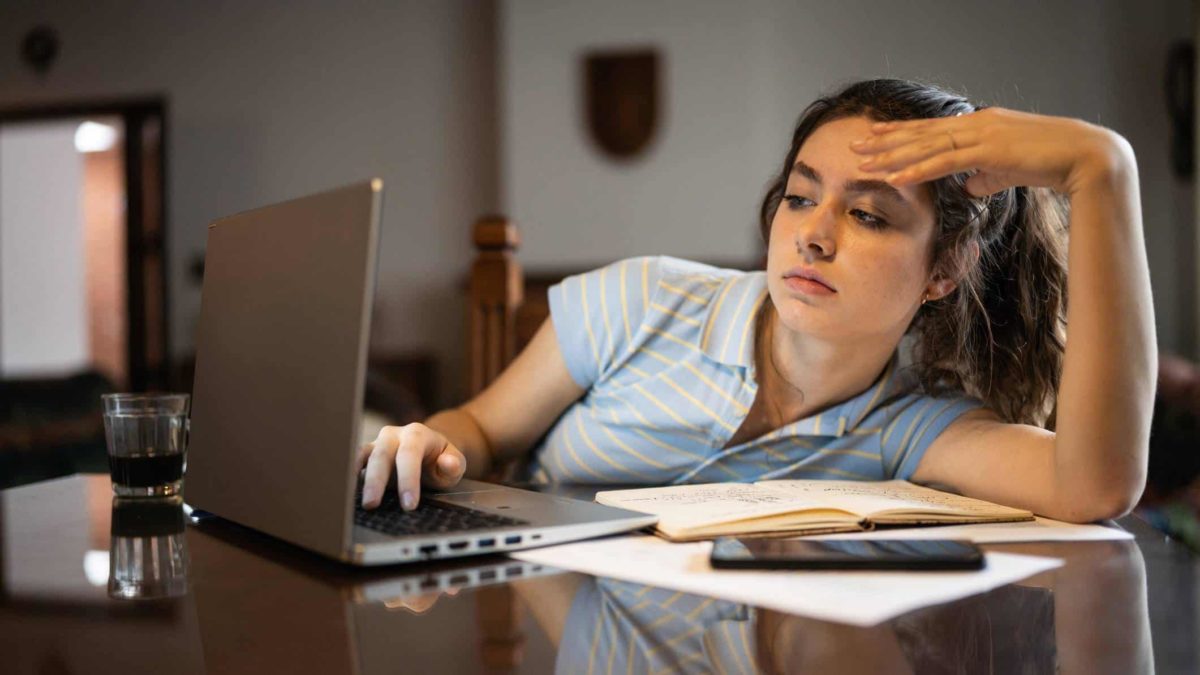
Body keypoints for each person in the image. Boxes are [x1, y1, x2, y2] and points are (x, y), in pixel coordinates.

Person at [359, 78, 1155, 524]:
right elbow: (479, 430)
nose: (813, 236)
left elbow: (1092, 486)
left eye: (868, 215)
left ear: (943, 269)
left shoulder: (909, 427)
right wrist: (432, 443)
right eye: (801, 198)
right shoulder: (640, 299)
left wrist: (1102, 170)